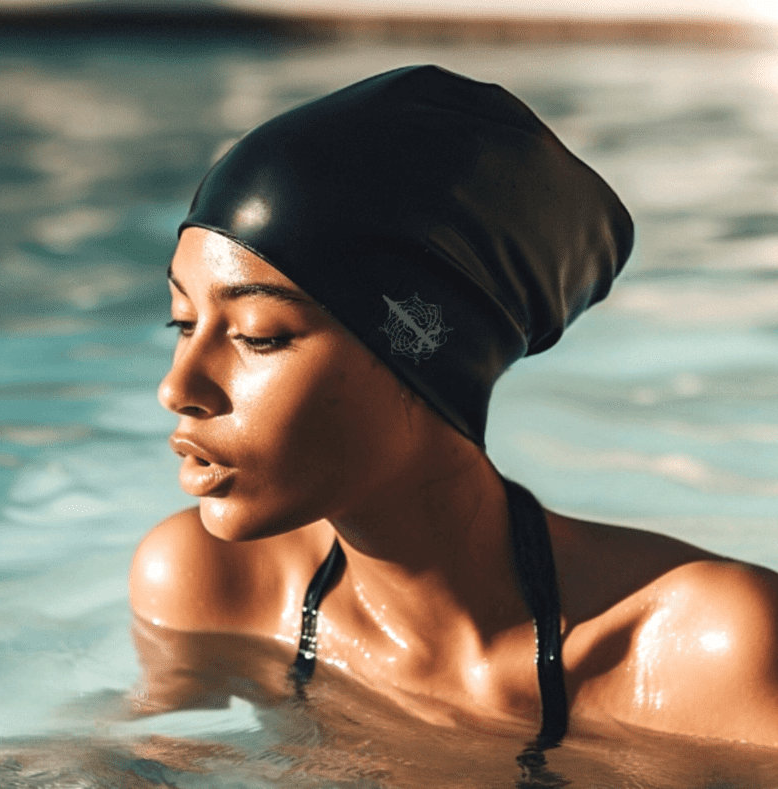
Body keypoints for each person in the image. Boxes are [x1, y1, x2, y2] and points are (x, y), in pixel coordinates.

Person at [130, 65, 778, 748]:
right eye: (182, 321)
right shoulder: (211, 586)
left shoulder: (711, 654)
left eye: (259, 335)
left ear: (423, 349)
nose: (178, 388)